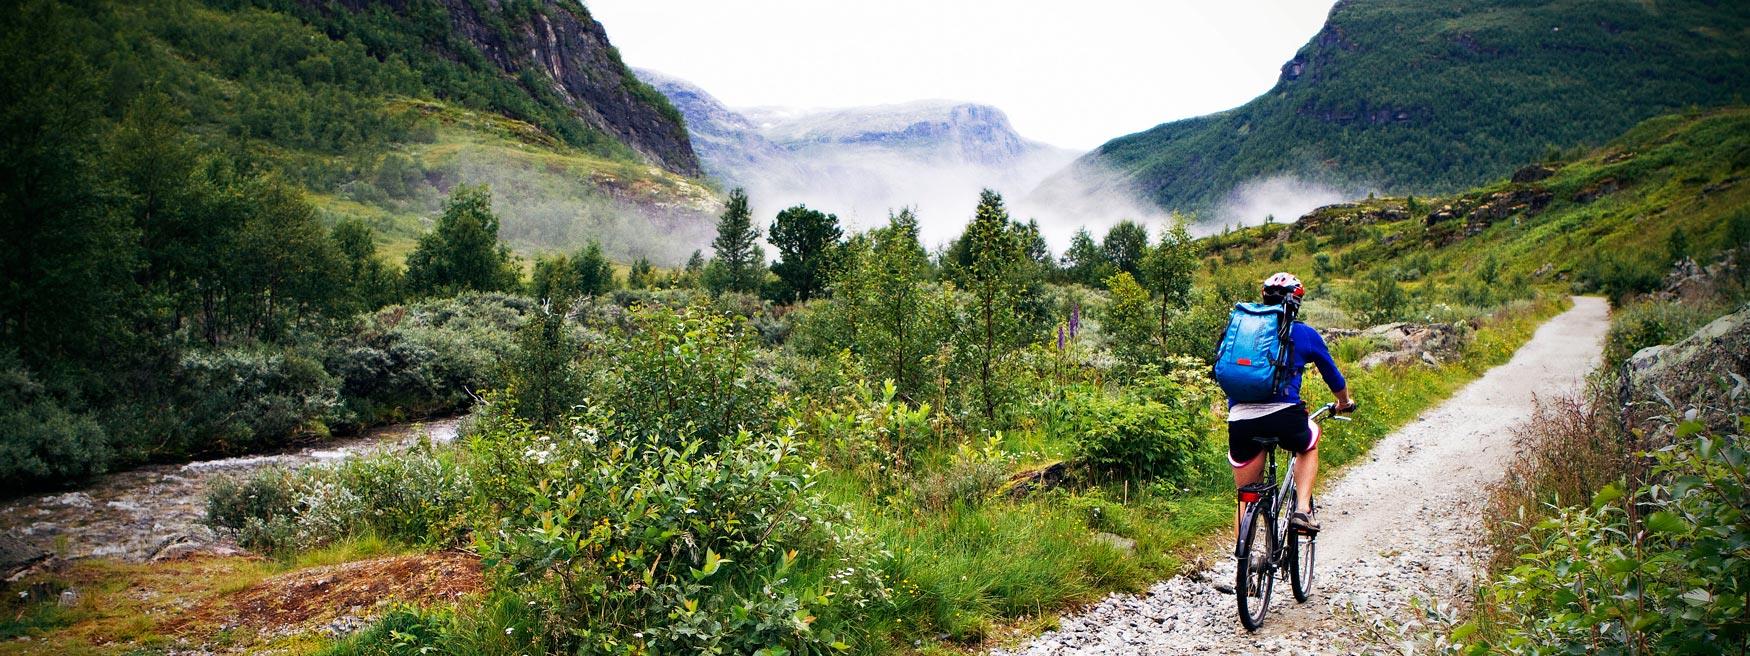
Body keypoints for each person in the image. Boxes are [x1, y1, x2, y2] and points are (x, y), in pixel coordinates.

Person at [1227, 272, 1354, 535]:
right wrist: (1343, 402)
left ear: (1264, 298)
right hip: (1285, 416)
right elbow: (1334, 377)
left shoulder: (1244, 334)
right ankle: (1302, 511)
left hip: (1239, 419)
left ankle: (1244, 560)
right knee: (1308, 442)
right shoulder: (1304, 334)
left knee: (1245, 496)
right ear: (1296, 303)